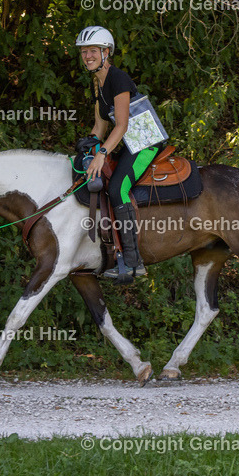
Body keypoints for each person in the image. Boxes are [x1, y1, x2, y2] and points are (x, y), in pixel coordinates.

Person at [76, 26, 161, 283]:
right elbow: (100, 127)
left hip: (147, 143)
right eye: (84, 51)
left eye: (93, 50)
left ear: (106, 52)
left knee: (117, 190)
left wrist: (101, 153)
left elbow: (122, 124)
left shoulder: (118, 78)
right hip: (128, 144)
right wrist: (88, 146)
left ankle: (134, 263)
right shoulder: (97, 83)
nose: (87, 55)